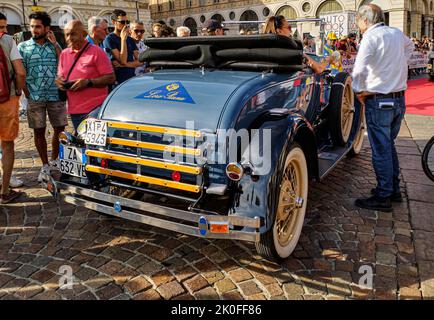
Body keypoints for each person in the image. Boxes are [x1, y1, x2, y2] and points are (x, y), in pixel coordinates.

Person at [352, 4, 414, 212]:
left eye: (357, 19)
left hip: (379, 101)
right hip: (398, 100)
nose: (356, 23)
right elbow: (411, 47)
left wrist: (358, 90)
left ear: (366, 20)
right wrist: (395, 68)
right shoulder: (396, 33)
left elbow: (359, 69)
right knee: (388, 145)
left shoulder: (370, 37)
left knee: (381, 149)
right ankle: (393, 189)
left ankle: (383, 194)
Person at [18, 11, 67, 182]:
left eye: (38, 26)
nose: (34, 29)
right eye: (32, 26)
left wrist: (55, 45)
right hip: (34, 96)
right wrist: (26, 92)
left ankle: (55, 161)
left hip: (55, 94)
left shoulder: (55, 45)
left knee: (59, 129)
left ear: (47, 28)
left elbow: (65, 64)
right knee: (38, 131)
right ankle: (45, 164)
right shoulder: (23, 47)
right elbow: (20, 72)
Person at [56, 20, 115, 131]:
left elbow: (111, 77)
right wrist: (60, 82)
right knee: (82, 143)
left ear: (84, 34)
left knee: (94, 145)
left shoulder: (97, 52)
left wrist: (88, 82)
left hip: (95, 110)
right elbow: (61, 76)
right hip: (75, 110)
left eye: (73, 34)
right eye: (67, 35)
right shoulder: (64, 54)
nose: (69, 38)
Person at [0, 13, 26, 203]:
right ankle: (5, 191)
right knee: (7, 145)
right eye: (2, 27)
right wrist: (18, 90)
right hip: (6, 99)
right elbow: (20, 72)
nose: (5, 30)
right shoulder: (8, 41)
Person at [103, 9, 140, 85]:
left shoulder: (129, 39)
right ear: (114, 22)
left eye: (127, 22)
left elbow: (140, 60)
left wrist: (126, 64)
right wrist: (123, 39)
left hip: (132, 78)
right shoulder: (109, 39)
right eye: (122, 22)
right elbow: (122, 60)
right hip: (119, 81)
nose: (125, 25)